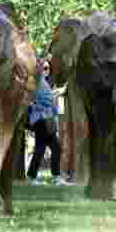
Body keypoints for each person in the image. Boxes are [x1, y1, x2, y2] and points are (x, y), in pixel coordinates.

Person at [26, 54, 71, 186]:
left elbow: (47, 97)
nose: (46, 70)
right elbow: (37, 67)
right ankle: (41, 178)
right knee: (49, 148)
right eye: (45, 68)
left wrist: (57, 92)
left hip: (45, 119)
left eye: (48, 68)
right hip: (42, 119)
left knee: (50, 148)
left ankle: (48, 177)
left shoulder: (43, 83)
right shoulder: (37, 79)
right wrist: (46, 57)